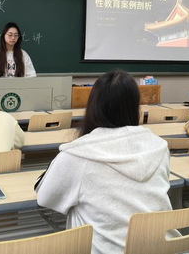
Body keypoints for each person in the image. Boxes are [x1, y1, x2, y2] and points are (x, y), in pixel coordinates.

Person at [36, 70, 172, 254]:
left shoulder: (78, 154)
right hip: (161, 247)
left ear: (94, 106)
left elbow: (45, 198)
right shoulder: (159, 146)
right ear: (135, 108)